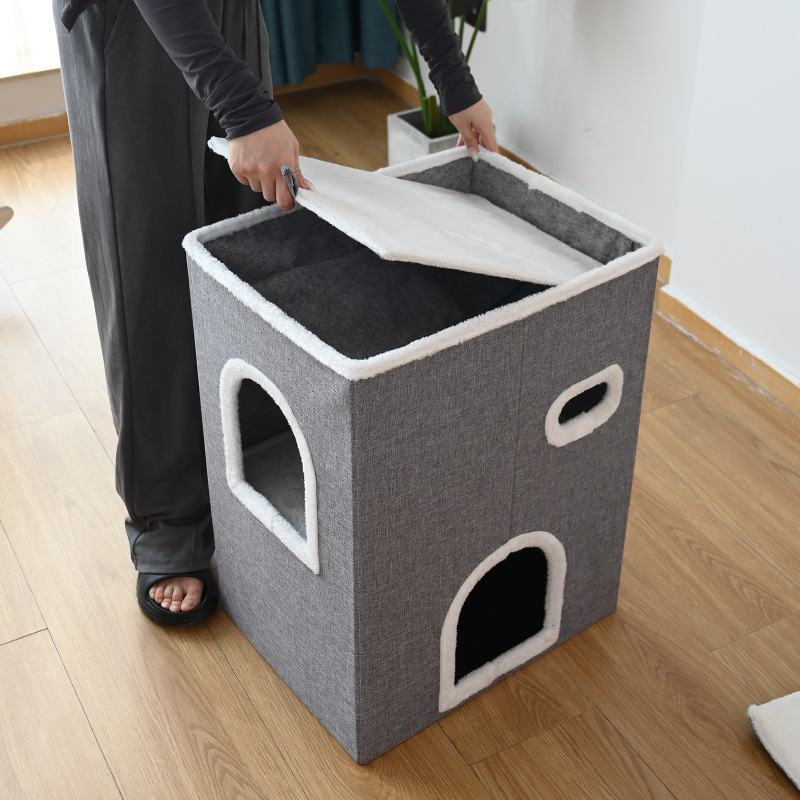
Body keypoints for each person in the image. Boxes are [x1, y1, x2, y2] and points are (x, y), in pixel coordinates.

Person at [54, 0, 498, 625]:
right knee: (147, 276)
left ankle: (245, 468)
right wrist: (243, 110)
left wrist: (454, 78)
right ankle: (169, 524)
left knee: (245, 250)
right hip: (129, 23)